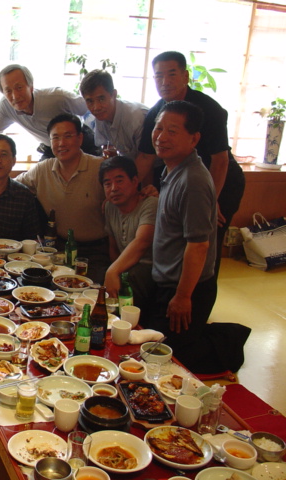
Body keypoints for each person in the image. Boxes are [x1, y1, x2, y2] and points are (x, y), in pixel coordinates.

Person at [149, 101, 250, 374]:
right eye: (158, 128)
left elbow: (199, 246)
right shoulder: (171, 169)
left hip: (187, 287)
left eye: (172, 131)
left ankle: (231, 339)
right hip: (167, 280)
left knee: (170, 359)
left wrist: (183, 297)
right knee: (149, 342)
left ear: (194, 139)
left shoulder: (192, 180)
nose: (161, 137)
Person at [136, 51, 245, 276]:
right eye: (158, 76)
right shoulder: (157, 112)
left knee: (206, 244)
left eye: (171, 74)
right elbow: (146, 157)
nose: (165, 82)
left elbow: (220, 160)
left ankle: (200, 291)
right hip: (181, 182)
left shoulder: (209, 109)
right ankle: (176, 287)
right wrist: (132, 188)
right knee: (177, 240)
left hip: (220, 181)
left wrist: (210, 201)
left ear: (185, 76)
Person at [0, 114, 108, 282]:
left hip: (95, 251)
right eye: (55, 138)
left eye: (68, 136)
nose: (61, 143)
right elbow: (7, 183)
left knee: (92, 292)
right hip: (58, 249)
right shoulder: (43, 170)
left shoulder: (99, 167)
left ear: (80, 138)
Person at [0, 64, 91, 172]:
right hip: (51, 148)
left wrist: (103, 142)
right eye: (8, 91)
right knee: (42, 180)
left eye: (19, 87)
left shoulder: (56, 97)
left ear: (31, 87)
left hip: (81, 143)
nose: (15, 96)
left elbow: (90, 108)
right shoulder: (6, 106)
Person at [99, 155, 157, 324]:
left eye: (119, 181)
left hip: (150, 269)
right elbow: (113, 247)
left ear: (135, 181)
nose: (114, 188)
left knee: (130, 280)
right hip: (126, 268)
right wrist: (114, 271)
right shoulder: (109, 207)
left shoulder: (150, 204)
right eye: (107, 184)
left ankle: (128, 327)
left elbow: (142, 242)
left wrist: (113, 272)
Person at [80, 69, 149, 160]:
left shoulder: (136, 117)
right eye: (90, 101)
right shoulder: (101, 116)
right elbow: (105, 146)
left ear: (114, 94)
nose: (96, 107)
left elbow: (146, 158)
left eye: (101, 99)